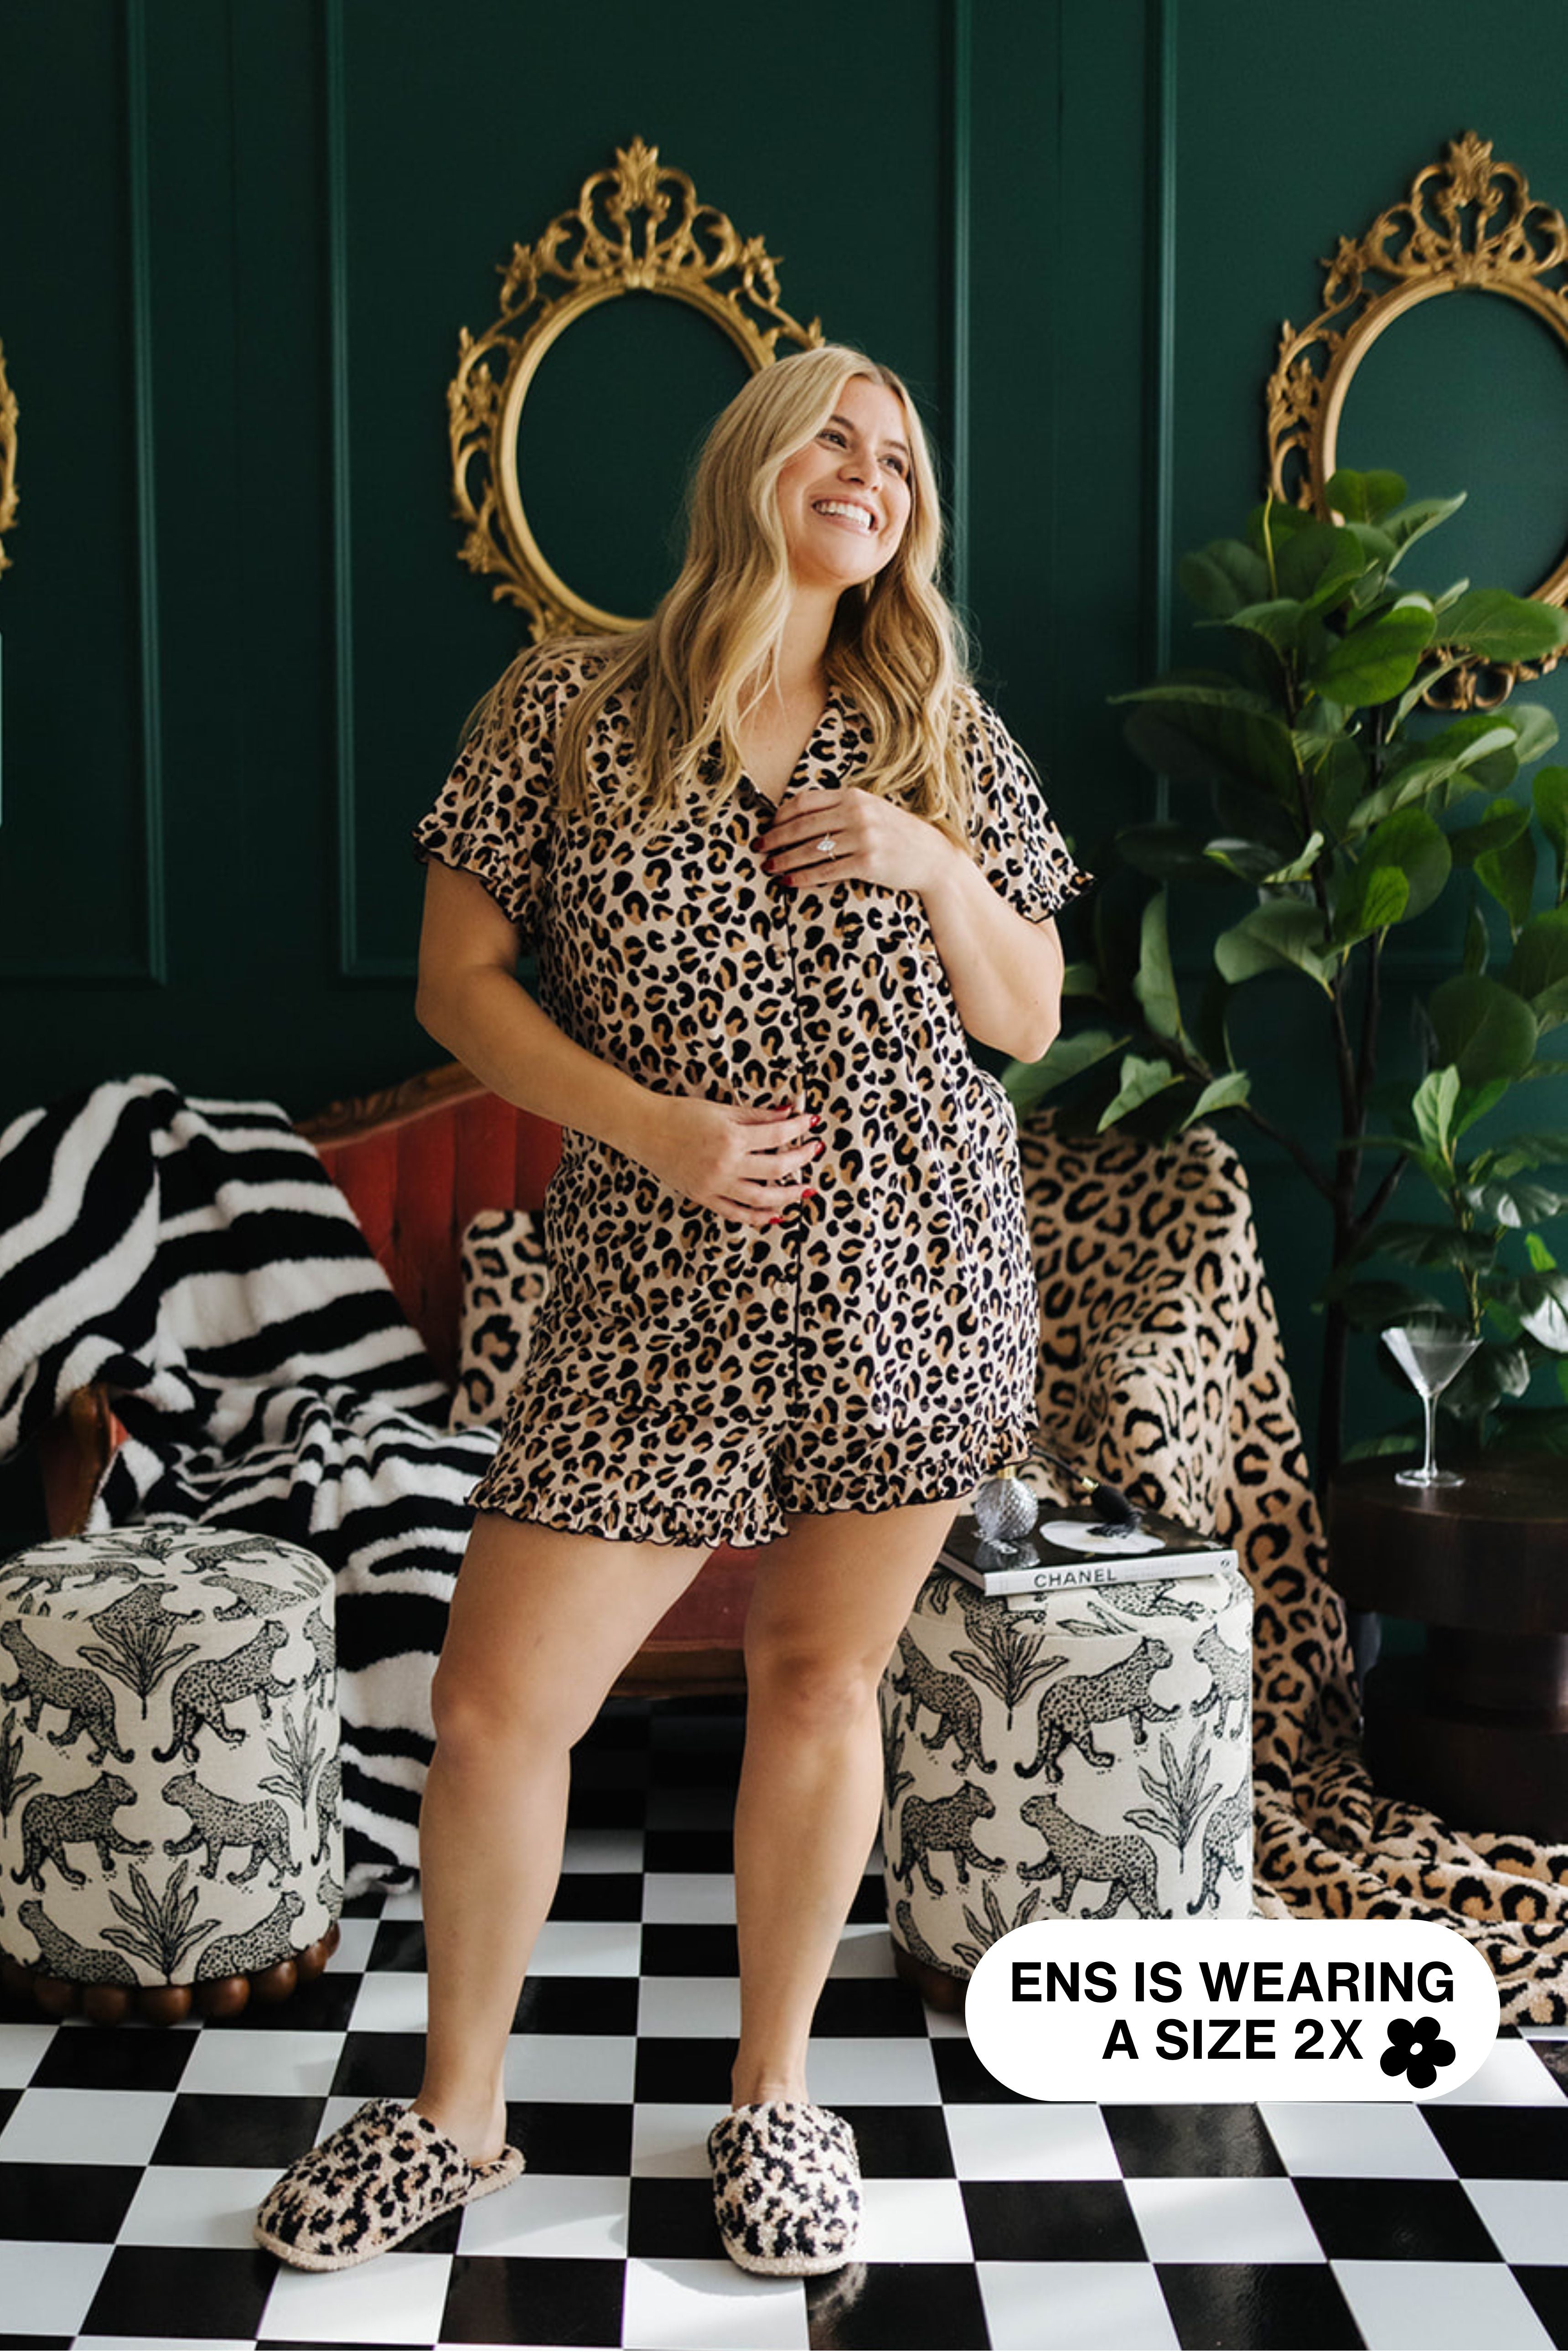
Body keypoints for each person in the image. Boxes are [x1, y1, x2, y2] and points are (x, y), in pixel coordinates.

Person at [254, 343, 1087, 2279]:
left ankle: (773, 2103)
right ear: (751, 460)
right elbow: (457, 983)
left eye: (896, 459)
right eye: (833, 434)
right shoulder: (566, 700)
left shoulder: (933, 723)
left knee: (816, 1685)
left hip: (912, 1276)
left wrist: (928, 858)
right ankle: (454, 2116)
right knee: (491, 1706)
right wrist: (650, 1128)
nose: (866, 473)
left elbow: (1026, 1016)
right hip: (650, 1284)